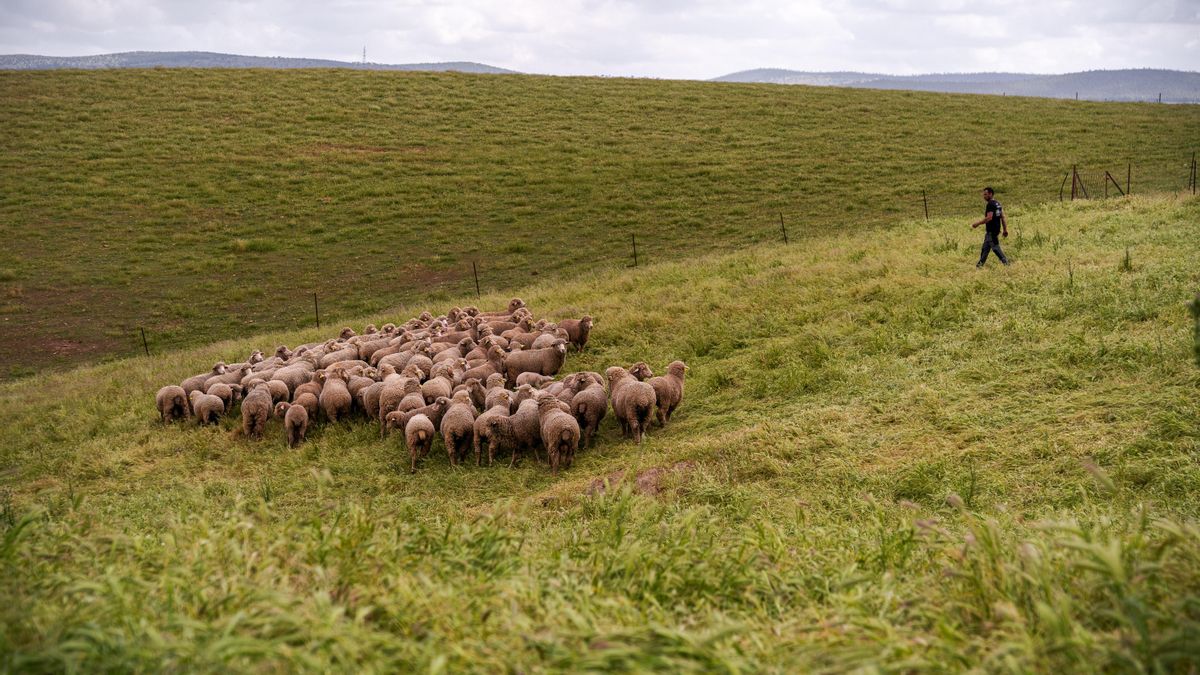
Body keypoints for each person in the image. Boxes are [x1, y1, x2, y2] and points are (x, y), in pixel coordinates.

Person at [971, 186, 1009, 267]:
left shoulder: (990, 204)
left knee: (995, 248)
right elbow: (1003, 217)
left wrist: (977, 223)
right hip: (994, 230)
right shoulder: (997, 204)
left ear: (991, 194)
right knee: (985, 249)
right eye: (984, 195)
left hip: (991, 231)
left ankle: (1006, 264)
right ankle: (979, 266)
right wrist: (1005, 229)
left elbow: (989, 218)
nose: (984, 196)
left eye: (986, 194)